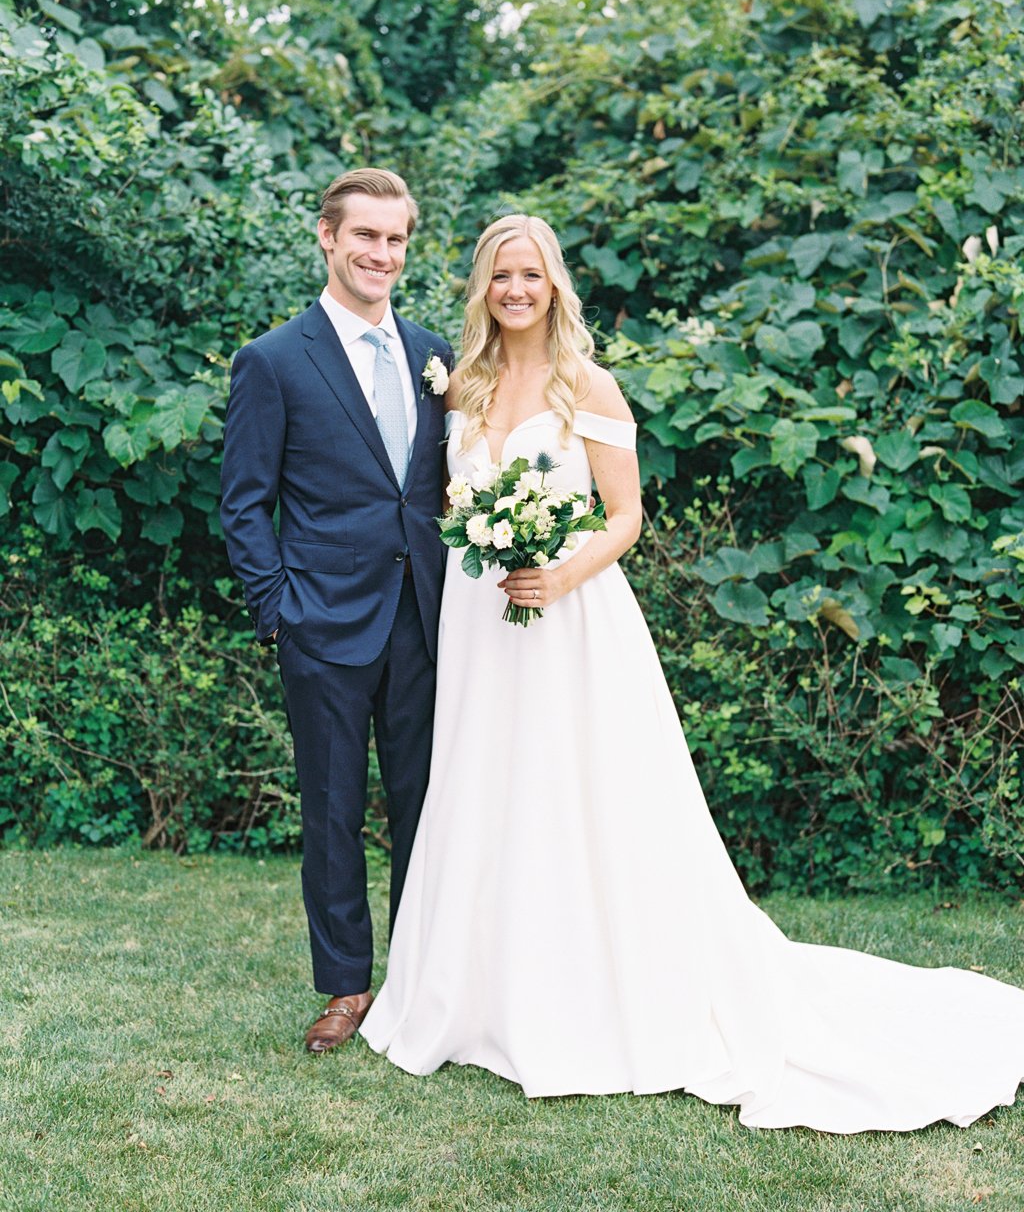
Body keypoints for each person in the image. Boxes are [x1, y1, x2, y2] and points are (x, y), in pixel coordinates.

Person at [359, 212, 1024, 1132]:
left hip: (570, 615)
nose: (517, 290)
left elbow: (625, 515)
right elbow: (449, 500)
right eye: (501, 276)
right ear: (483, 287)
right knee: (490, 790)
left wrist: (558, 571)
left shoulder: (586, 382)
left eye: (533, 276)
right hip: (480, 621)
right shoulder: (461, 385)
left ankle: (596, 992)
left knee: (577, 793)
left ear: (554, 286)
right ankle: (479, 994)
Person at [220, 168, 451, 1053]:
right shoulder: (276, 360)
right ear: (328, 236)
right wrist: (278, 611)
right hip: (320, 621)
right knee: (331, 810)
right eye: (366, 237)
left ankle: (424, 978)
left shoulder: (436, 353)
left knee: (429, 804)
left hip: (426, 619)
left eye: (395, 240)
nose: (381, 255)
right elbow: (246, 502)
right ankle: (346, 988)